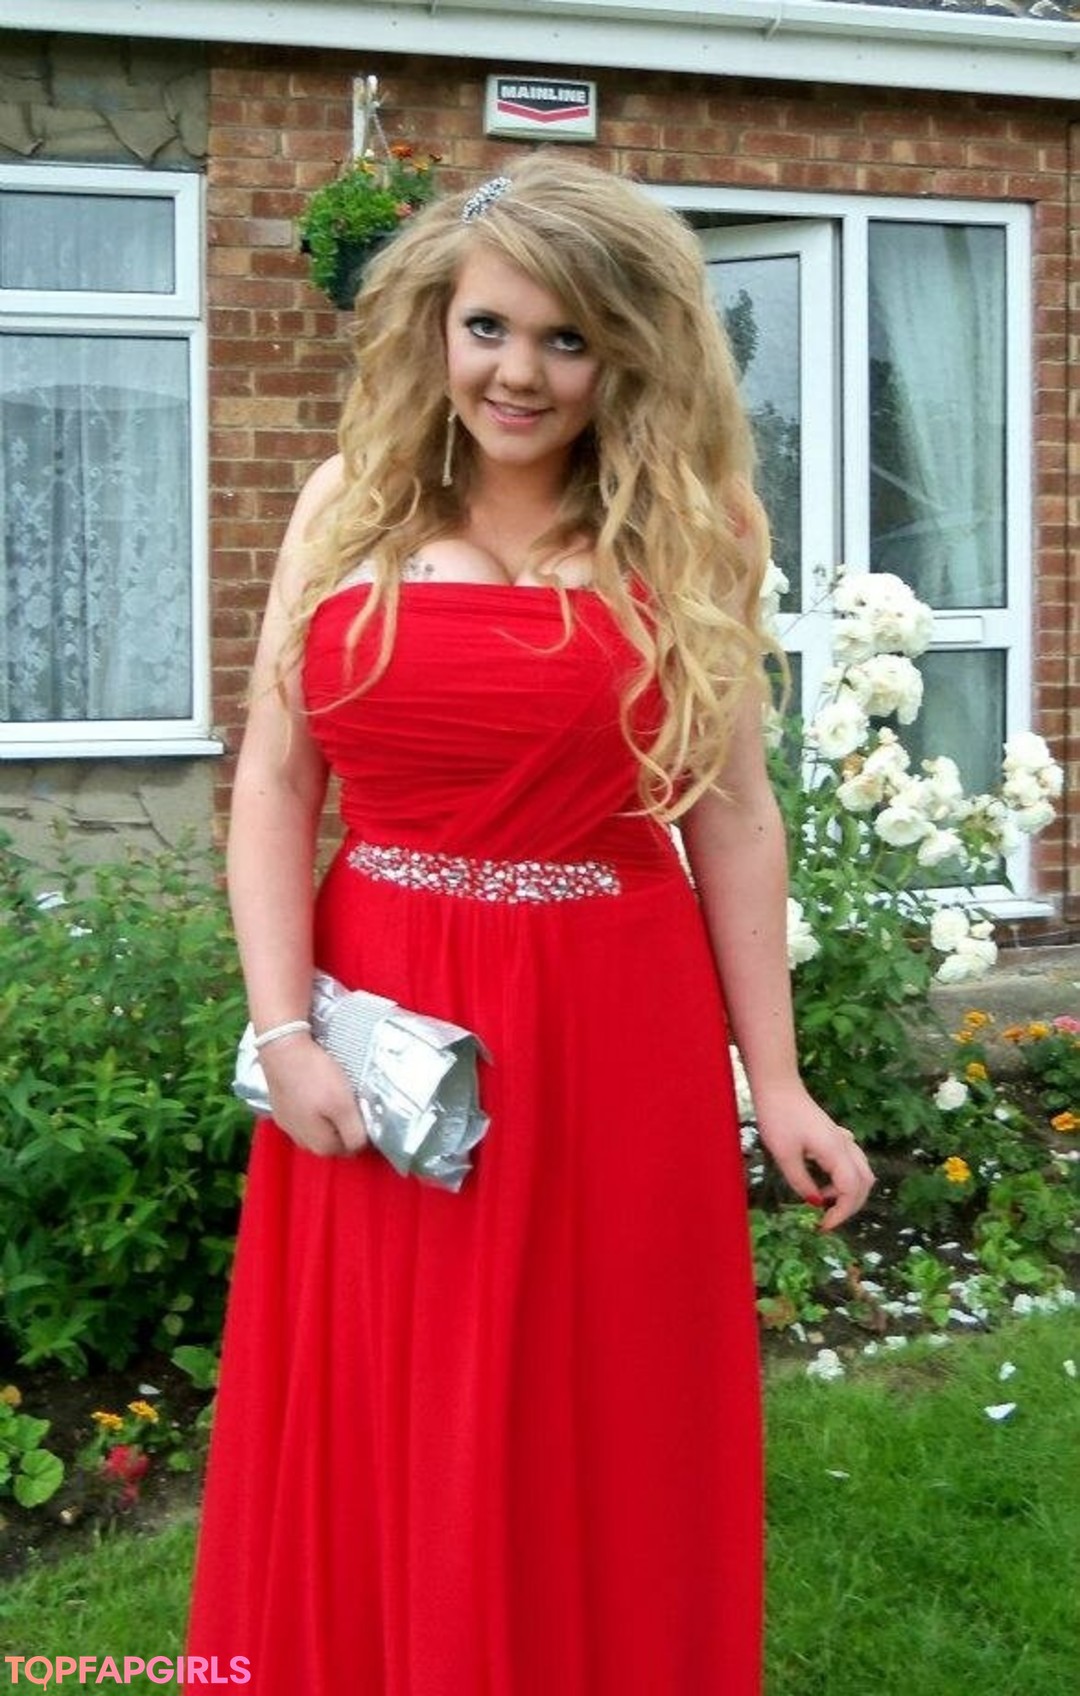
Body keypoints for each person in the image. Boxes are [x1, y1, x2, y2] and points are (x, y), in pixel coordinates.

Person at [185, 151, 874, 1696]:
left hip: (609, 1023)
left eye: (569, 339)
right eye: (490, 327)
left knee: (602, 1397)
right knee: (389, 1385)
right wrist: (283, 1030)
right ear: (437, 321)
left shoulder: (696, 525)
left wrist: (775, 1081)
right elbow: (277, 786)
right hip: (385, 1015)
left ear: (631, 351)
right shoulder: (347, 507)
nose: (521, 372)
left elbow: (732, 814)